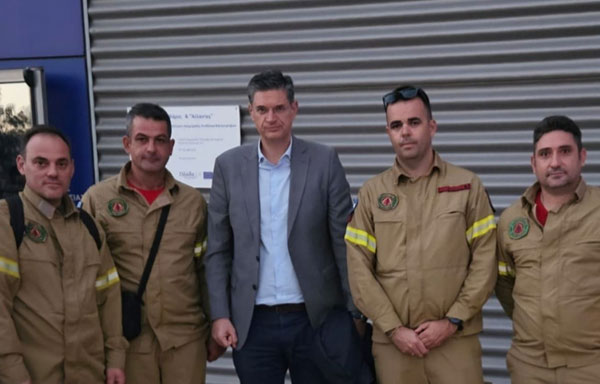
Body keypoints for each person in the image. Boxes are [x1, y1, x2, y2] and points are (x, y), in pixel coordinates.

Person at [205, 69, 360, 384]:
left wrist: (354, 312)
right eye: (262, 109)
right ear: (251, 112)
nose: (271, 117)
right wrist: (220, 314)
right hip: (253, 323)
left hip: (314, 318)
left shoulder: (324, 161)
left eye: (279, 108)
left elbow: (343, 243)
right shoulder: (228, 166)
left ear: (294, 109)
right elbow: (218, 249)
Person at [345, 86, 497, 384]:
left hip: (455, 343)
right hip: (394, 348)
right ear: (388, 132)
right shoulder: (372, 194)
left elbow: (486, 262)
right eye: (396, 125)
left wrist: (452, 321)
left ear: (432, 126)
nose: (405, 132)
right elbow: (359, 270)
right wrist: (393, 329)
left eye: (414, 122)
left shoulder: (467, 186)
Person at [82, 103, 223, 384]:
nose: (151, 149)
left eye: (160, 140)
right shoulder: (98, 200)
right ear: (127, 144)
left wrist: (215, 323)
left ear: (171, 147)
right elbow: (86, 275)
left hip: (185, 341)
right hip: (129, 343)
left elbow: (205, 270)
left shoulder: (192, 202)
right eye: (142, 139)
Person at [0, 125, 126, 384]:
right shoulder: (8, 221)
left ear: (72, 168)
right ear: (22, 165)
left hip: (90, 374)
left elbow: (109, 299)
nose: (52, 172)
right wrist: (13, 374)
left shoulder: (89, 227)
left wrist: (115, 359)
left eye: (61, 163)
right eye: (41, 163)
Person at [496, 115, 600, 383]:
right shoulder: (511, 220)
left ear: (582, 157)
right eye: (545, 154)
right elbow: (504, 282)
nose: (554, 162)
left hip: (591, 365)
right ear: (534, 163)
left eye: (565, 151)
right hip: (530, 366)